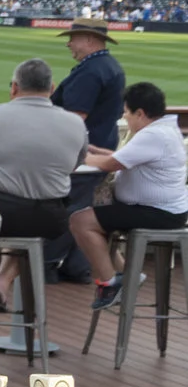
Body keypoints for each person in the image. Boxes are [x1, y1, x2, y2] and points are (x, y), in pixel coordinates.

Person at [0, 58, 86, 312]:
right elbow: (72, 167)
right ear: (52, 88)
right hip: (49, 217)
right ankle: (1, 281)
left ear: (14, 88)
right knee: (27, 225)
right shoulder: (75, 123)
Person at [70, 81, 188, 310]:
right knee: (97, 209)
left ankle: (110, 283)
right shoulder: (164, 130)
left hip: (158, 212)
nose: (125, 117)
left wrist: (79, 157)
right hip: (166, 209)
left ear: (140, 113)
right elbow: (126, 157)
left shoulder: (153, 135)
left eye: (127, 112)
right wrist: (97, 152)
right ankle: (127, 274)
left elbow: (111, 164)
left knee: (80, 221)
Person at [50, 20, 126, 279]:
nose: (69, 43)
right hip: (99, 148)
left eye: (73, 38)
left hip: (83, 154)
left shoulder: (91, 71)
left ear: (90, 40)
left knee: (69, 210)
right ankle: (78, 268)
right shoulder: (108, 66)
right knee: (85, 209)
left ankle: (47, 264)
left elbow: (74, 118)